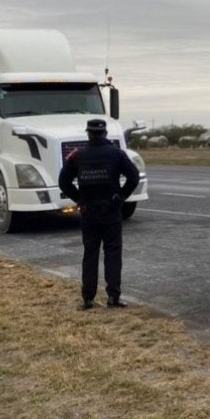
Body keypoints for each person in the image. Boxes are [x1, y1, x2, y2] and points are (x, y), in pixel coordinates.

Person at [59, 118, 140, 310]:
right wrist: (121, 196)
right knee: (113, 253)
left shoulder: (77, 155)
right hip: (111, 210)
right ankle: (113, 297)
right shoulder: (116, 153)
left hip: (89, 212)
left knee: (90, 254)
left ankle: (88, 298)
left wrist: (79, 198)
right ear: (104, 133)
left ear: (88, 133)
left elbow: (63, 181)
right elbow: (134, 176)